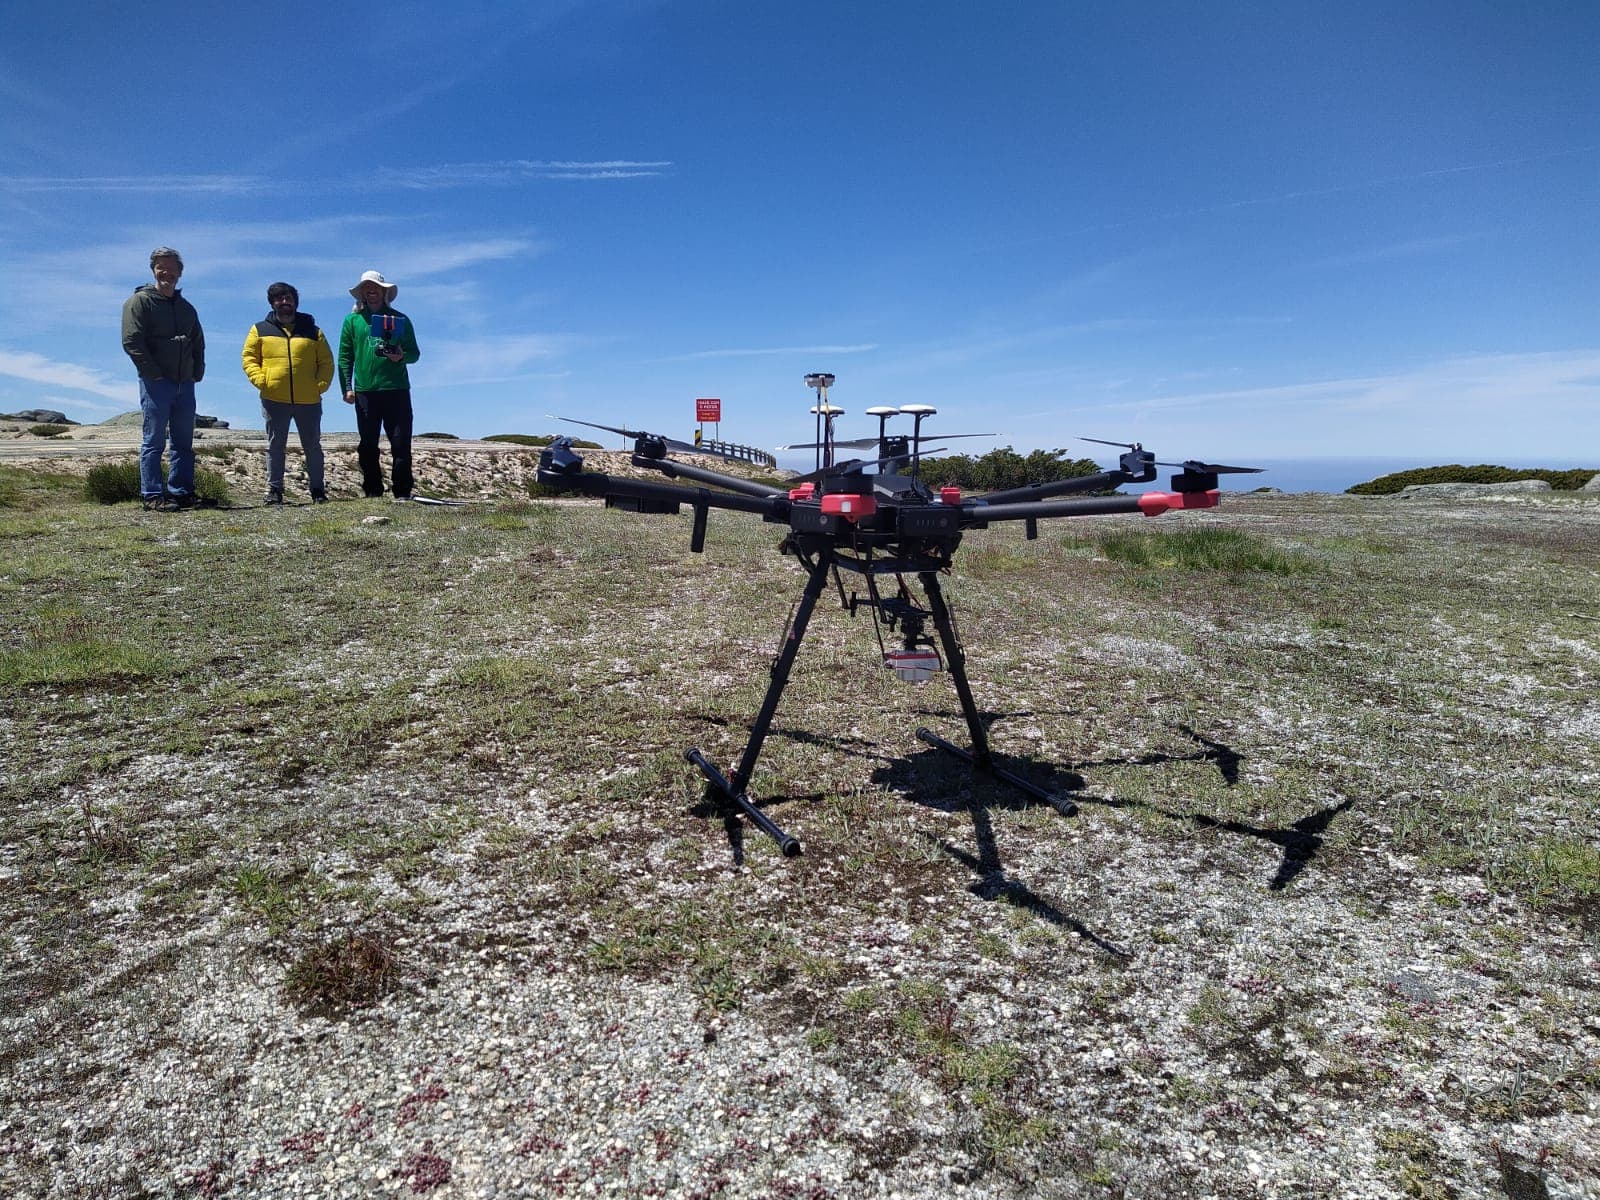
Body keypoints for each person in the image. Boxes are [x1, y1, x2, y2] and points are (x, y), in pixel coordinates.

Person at [121, 246, 205, 509]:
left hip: (185, 383)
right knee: (154, 441)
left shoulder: (186, 308)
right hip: (157, 384)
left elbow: (198, 341)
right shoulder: (139, 302)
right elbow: (131, 340)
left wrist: (196, 371)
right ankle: (153, 495)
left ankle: (181, 492)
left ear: (180, 273)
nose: (166, 272)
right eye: (160, 267)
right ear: (153, 270)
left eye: (171, 267)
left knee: (183, 442)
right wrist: (153, 373)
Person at [241, 283, 335, 504]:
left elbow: (326, 362)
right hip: (274, 398)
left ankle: (318, 491)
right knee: (275, 446)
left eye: (289, 298)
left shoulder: (314, 331)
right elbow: (249, 358)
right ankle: (274, 491)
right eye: (280, 299)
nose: (285, 302)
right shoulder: (259, 329)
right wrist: (261, 380)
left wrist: (319, 385)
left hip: (309, 400)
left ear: (295, 302)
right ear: (272, 303)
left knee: (312, 446)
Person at [337, 270, 420, 500]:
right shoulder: (352, 321)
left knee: (401, 443)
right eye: (366, 287)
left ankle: (402, 492)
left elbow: (414, 354)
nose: (371, 290)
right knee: (368, 445)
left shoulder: (400, 319)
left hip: (397, 390)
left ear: (384, 292)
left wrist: (401, 356)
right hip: (365, 392)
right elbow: (345, 356)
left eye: (376, 287)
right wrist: (346, 387)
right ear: (362, 292)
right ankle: (373, 491)